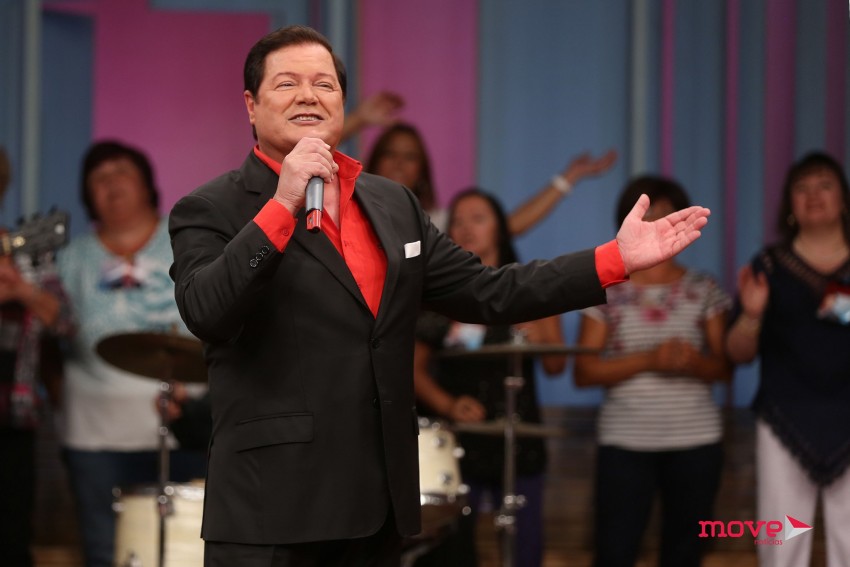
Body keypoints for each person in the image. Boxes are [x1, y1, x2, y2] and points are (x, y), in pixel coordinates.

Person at [167, 25, 710, 566]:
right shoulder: (210, 208)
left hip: (375, 506)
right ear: (251, 105)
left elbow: (489, 290)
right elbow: (207, 311)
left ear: (341, 101)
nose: (308, 95)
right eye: (287, 83)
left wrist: (615, 259)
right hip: (271, 509)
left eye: (324, 84)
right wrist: (282, 205)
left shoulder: (392, 204)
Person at [56, 140, 206, 567]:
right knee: (107, 553)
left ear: (147, 185)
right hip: (94, 436)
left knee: (188, 551)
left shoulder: (186, 241)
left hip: (185, 429)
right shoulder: (71, 259)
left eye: (122, 172)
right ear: (88, 195)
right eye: (99, 178)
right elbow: (51, 340)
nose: (112, 183)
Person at [573, 176, 732, 567]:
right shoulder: (606, 288)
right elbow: (584, 372)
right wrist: (650, 359)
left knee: (685, 552)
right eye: (648, 214)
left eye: (667, 213)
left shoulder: (704, 286)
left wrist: (693, 362)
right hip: (625, 440)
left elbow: (726, 368)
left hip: (696, 439)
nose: (658, 222)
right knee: (615, 551)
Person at [412, 188, 568, 567]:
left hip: (518, 438)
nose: (466, 228)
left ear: (500, 228)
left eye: (478, 218)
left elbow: (557, 366)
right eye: (458, 221)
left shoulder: (529, 285)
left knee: (523, 548)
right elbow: (410, 369)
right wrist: (449, 404)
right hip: (459, 442)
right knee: (454, 550)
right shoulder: (440, 295)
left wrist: (542, 334)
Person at [725, 151, 850, 567]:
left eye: (825, 185)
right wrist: (752, 315)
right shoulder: (768, 265)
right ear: (790, 205)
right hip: (785, 419)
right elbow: (736, 354)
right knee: (781, 543)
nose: (813, 195)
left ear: (843, 200)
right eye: (802, 188)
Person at [0, 147, 72, 567]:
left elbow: (68, 324)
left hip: (12, 417)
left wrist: (22, 289)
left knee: (12, 540)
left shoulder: (25, 252)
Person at [365, 122, 617, 233]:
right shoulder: (351, 211)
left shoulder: (437, 224)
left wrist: (568, 177)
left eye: (410, 157)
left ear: (422, 172)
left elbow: (506, 228)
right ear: (374, 161)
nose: (399, 163)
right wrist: (358, 120)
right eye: (390, 154)